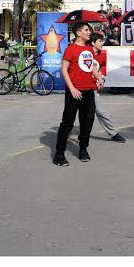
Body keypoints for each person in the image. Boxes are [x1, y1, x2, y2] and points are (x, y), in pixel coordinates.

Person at [52, 23, 103, 166]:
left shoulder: (88, 49)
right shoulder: (70, 49)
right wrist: (72, 89)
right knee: (67, 123)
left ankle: (83, 149)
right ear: (78, 33)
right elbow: (64, 69)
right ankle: (59, 154)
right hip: (74, 92)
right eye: (87, 30)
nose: (89, 32)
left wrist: (99, 77)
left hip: (89, 91)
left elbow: (90, 66)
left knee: (87, 122)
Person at [91, 33, 125, 143]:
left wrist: (100, 77)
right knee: (72, 115)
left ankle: (113, 133)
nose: (103, 43)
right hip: (81, 87)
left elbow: (102, 67)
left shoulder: (101, 55)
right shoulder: (86, 53)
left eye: (102, 41)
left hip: (93, 88)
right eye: (100, 41)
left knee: (101, 112)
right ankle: (64, 135)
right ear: (93, 43)